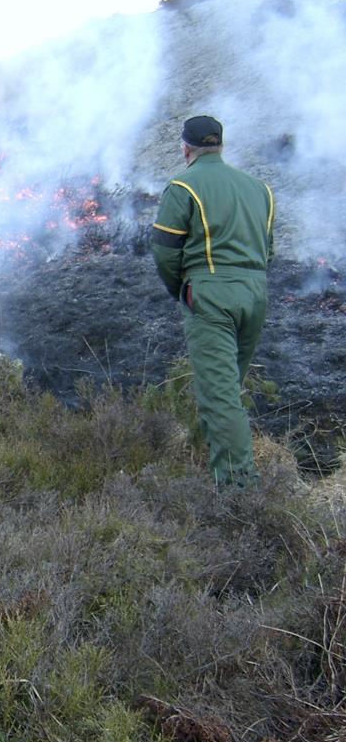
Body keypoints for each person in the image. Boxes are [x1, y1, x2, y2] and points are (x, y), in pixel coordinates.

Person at [151, 115, 275, 486]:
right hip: (255, 295)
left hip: (211, 295)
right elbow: (268, 250)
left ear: (185, 148)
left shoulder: (183, 186)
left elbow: (164, 251)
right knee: (228, 388)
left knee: (218, 398)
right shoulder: (260, 189)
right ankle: (211, 464)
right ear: (220, 145)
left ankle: (240, 495)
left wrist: (183, 290)